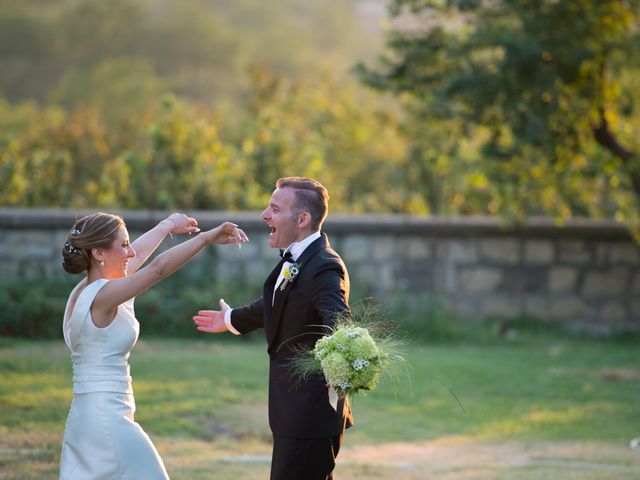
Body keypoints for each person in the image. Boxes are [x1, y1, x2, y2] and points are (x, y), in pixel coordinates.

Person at [59, 211, 248, 479]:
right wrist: (206, 238)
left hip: (88, 415)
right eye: (124, 245)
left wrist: (168, 224)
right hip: (106, 418)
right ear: (99, 253)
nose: (131, 252)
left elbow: (139, 256)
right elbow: (158, 269)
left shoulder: (86, 290)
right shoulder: (103, 296)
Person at [193, 177, 353, 480]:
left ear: (303, 219)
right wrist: (230, 320)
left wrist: (341, 365)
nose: (265, 215)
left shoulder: (324, 265)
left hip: (310, 413)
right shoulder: (301, 258)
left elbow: (340, 323)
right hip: (294, 411)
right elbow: (279, 301)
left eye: (275, 208)